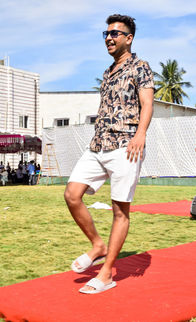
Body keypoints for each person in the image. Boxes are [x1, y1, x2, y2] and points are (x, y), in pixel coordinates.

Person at [64, 14, 154, 294]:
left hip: (127, 145)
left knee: (120, 210)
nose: (109, 37)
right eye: (106, 33)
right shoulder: (107, 71)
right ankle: (98, 245)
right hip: (98, 145)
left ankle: (106, 273)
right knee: (71, 194)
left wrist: (140, 134)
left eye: (115, 33)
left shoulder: (141, 67)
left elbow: (147, 104)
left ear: (129, 38)